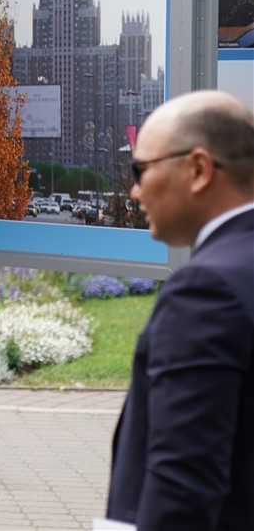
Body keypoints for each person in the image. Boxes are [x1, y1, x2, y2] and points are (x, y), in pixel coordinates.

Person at [106, 89, 254, 530]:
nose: (133, 191)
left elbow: (183, 482)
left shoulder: (207, 289)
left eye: (141, 170)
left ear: (197, 169)